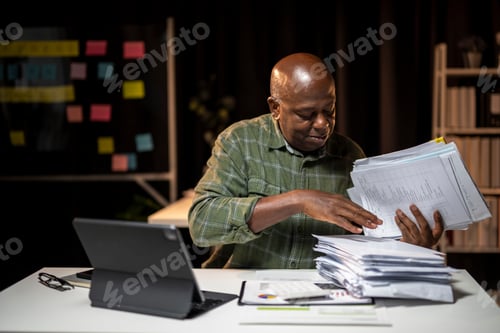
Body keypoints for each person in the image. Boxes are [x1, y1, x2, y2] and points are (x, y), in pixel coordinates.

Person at [188, 52, 444, 269]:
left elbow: (371, 242)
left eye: (329, 111)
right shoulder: (240, 142)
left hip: (322, 296)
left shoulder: (349, 156)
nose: (322, 124)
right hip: (243, 292)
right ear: (275, 108)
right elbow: (202, 223)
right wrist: (297, 201)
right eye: (306, 114)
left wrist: (409, 245)